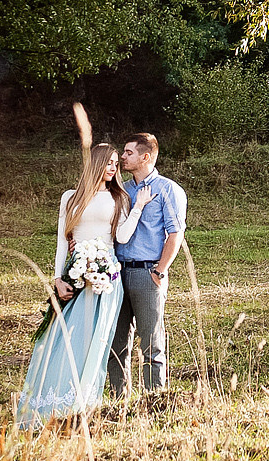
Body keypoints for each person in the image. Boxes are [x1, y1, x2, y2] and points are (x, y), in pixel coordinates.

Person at [16, 142, 137, 428]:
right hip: (76, 273)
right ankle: (51, 405)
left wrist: (139, 206)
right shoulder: (69, 198)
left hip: (105, 277)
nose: (113, 168)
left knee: (95, 339)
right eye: (108, 162)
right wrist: (57, 279)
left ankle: (83, 405)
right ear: (95, 163)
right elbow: (62, 241)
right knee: (62, 337)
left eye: (116, 163)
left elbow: (121, 237)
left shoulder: (118, 197)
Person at [108, 131, 185, 396]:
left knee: (151, 341)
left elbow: (175, 233)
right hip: (118, 273)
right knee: (117, 342)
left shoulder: (168, 189)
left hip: (147, 273)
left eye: (128, 153)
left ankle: (155, 399)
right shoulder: (123, 189)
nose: (123, 157)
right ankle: (118, 398)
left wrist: (160, 270)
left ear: (145, 157)